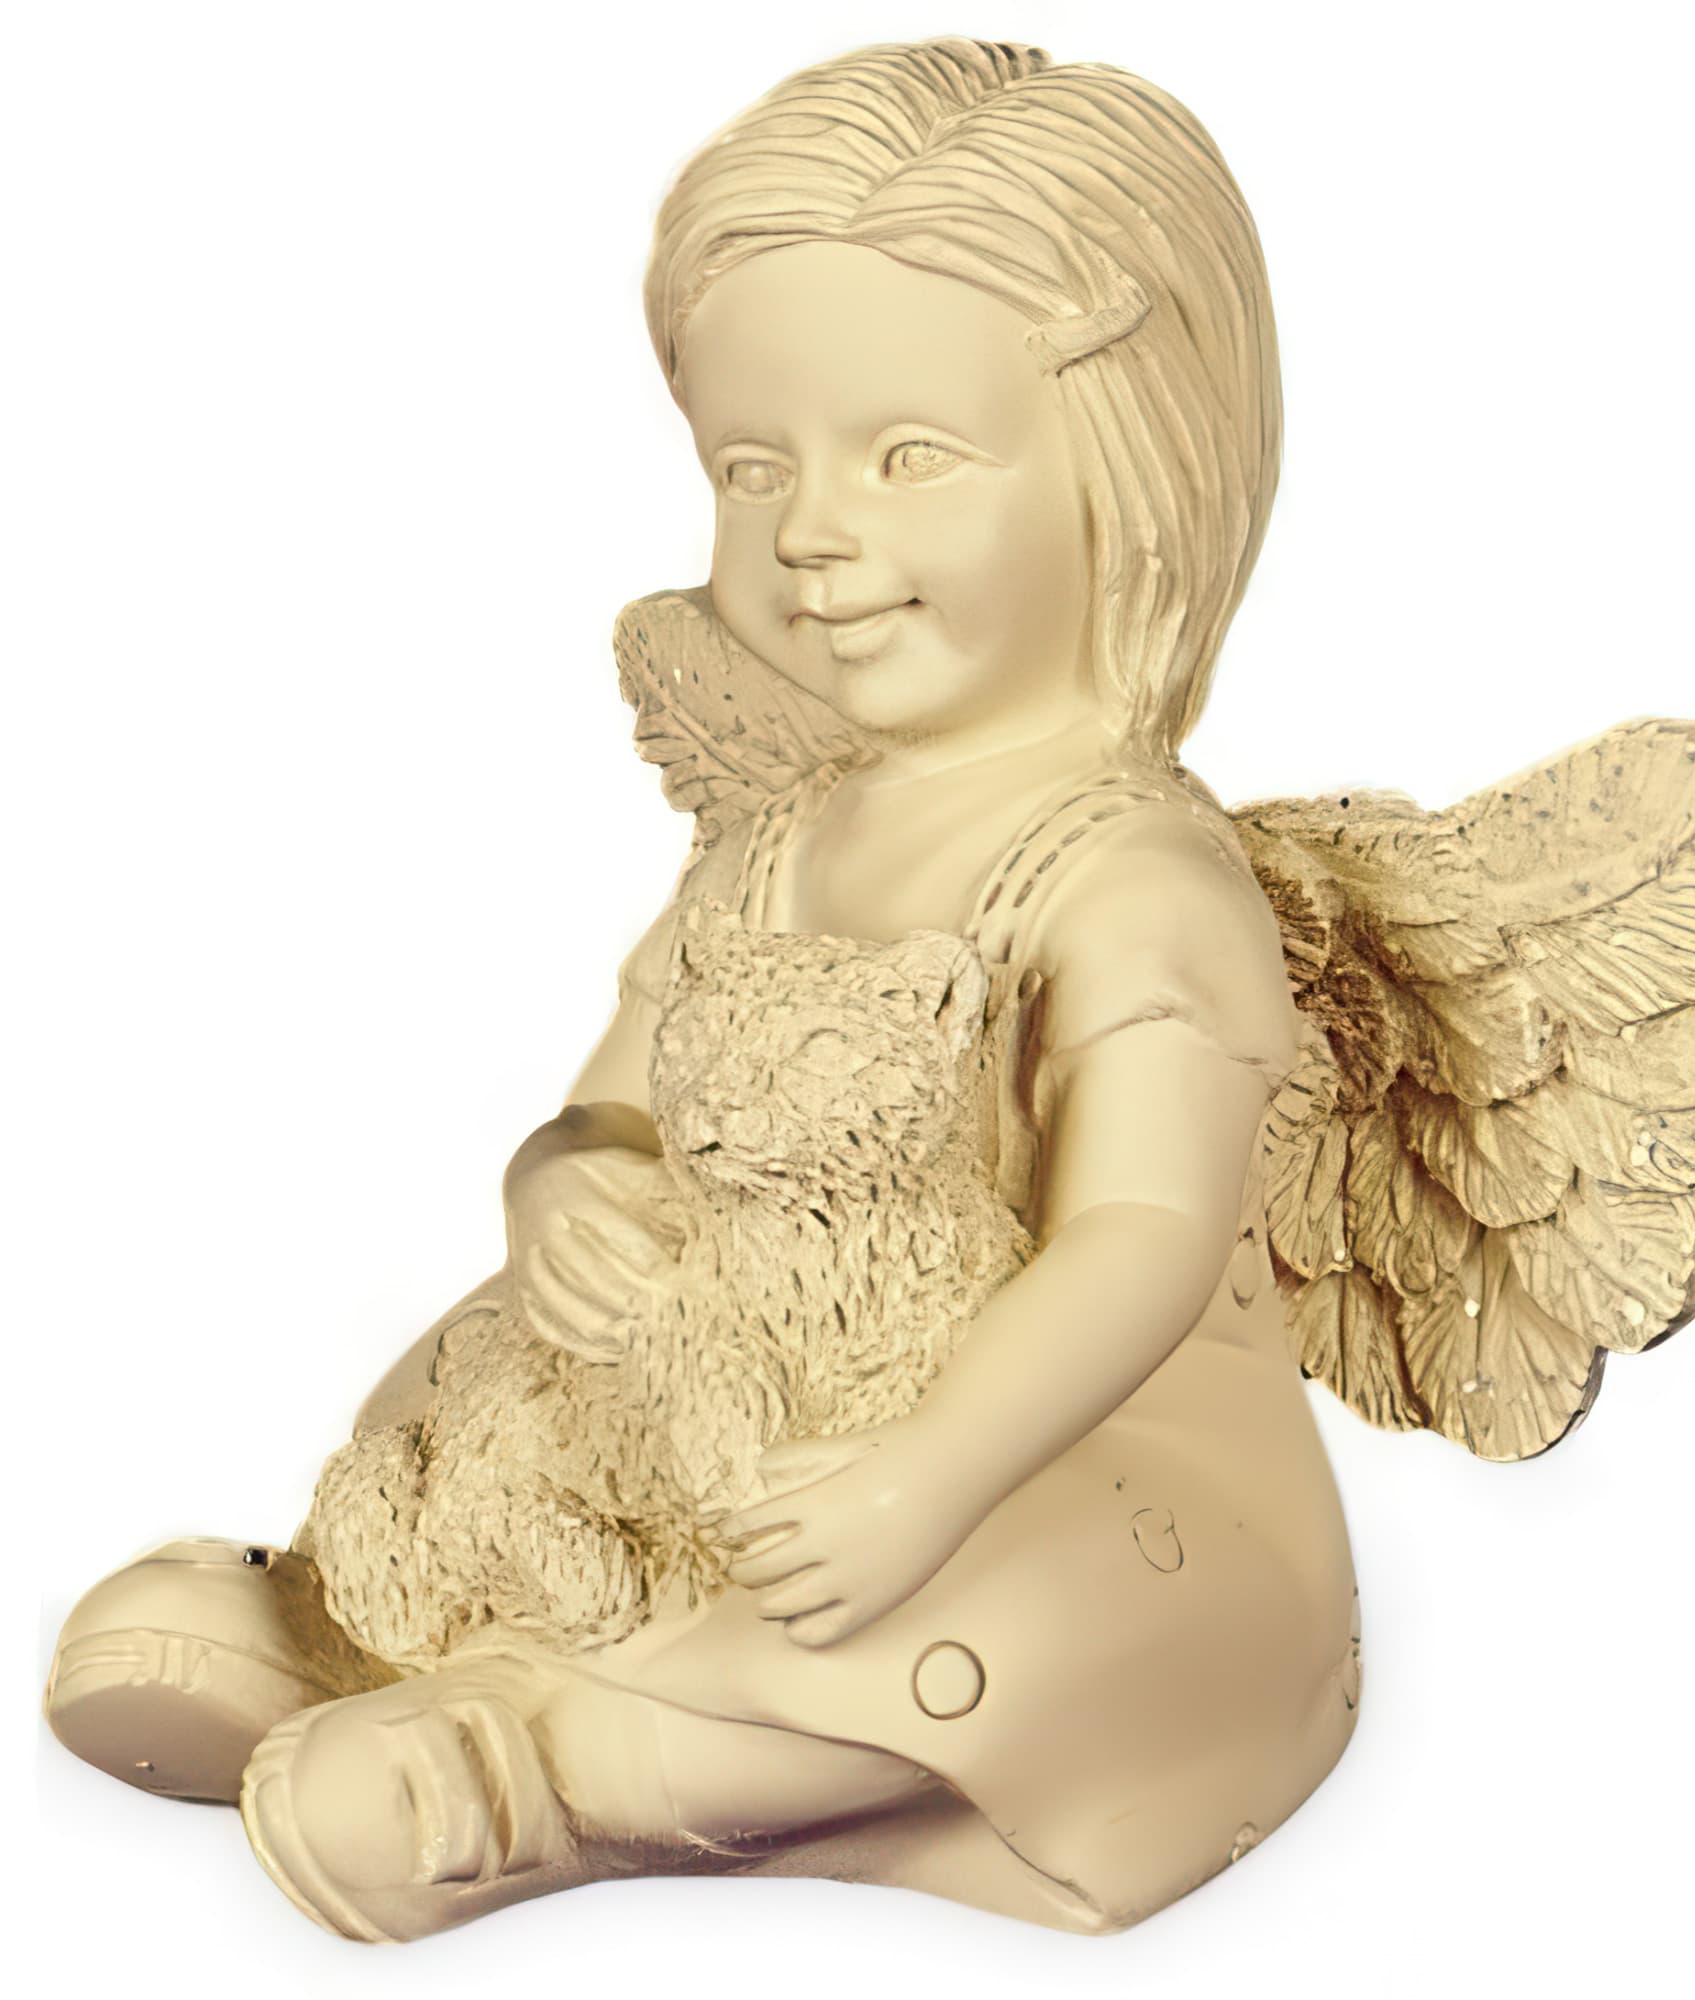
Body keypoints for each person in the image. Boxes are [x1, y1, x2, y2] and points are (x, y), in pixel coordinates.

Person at [35, 36, 1411, 1939]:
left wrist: (919, 1481)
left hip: (1058, 1445)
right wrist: (564, 1183)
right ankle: (360, 1628)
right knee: (497, 1405)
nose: (811, 535)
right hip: (722, 1381)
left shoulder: (1133, 882)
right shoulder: (782, 832)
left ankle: (544, 1776)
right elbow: (617, 1091)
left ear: (1136, 480)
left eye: (909, 456)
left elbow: (1139, 1242)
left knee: (1002, 1624)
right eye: (752, 471)